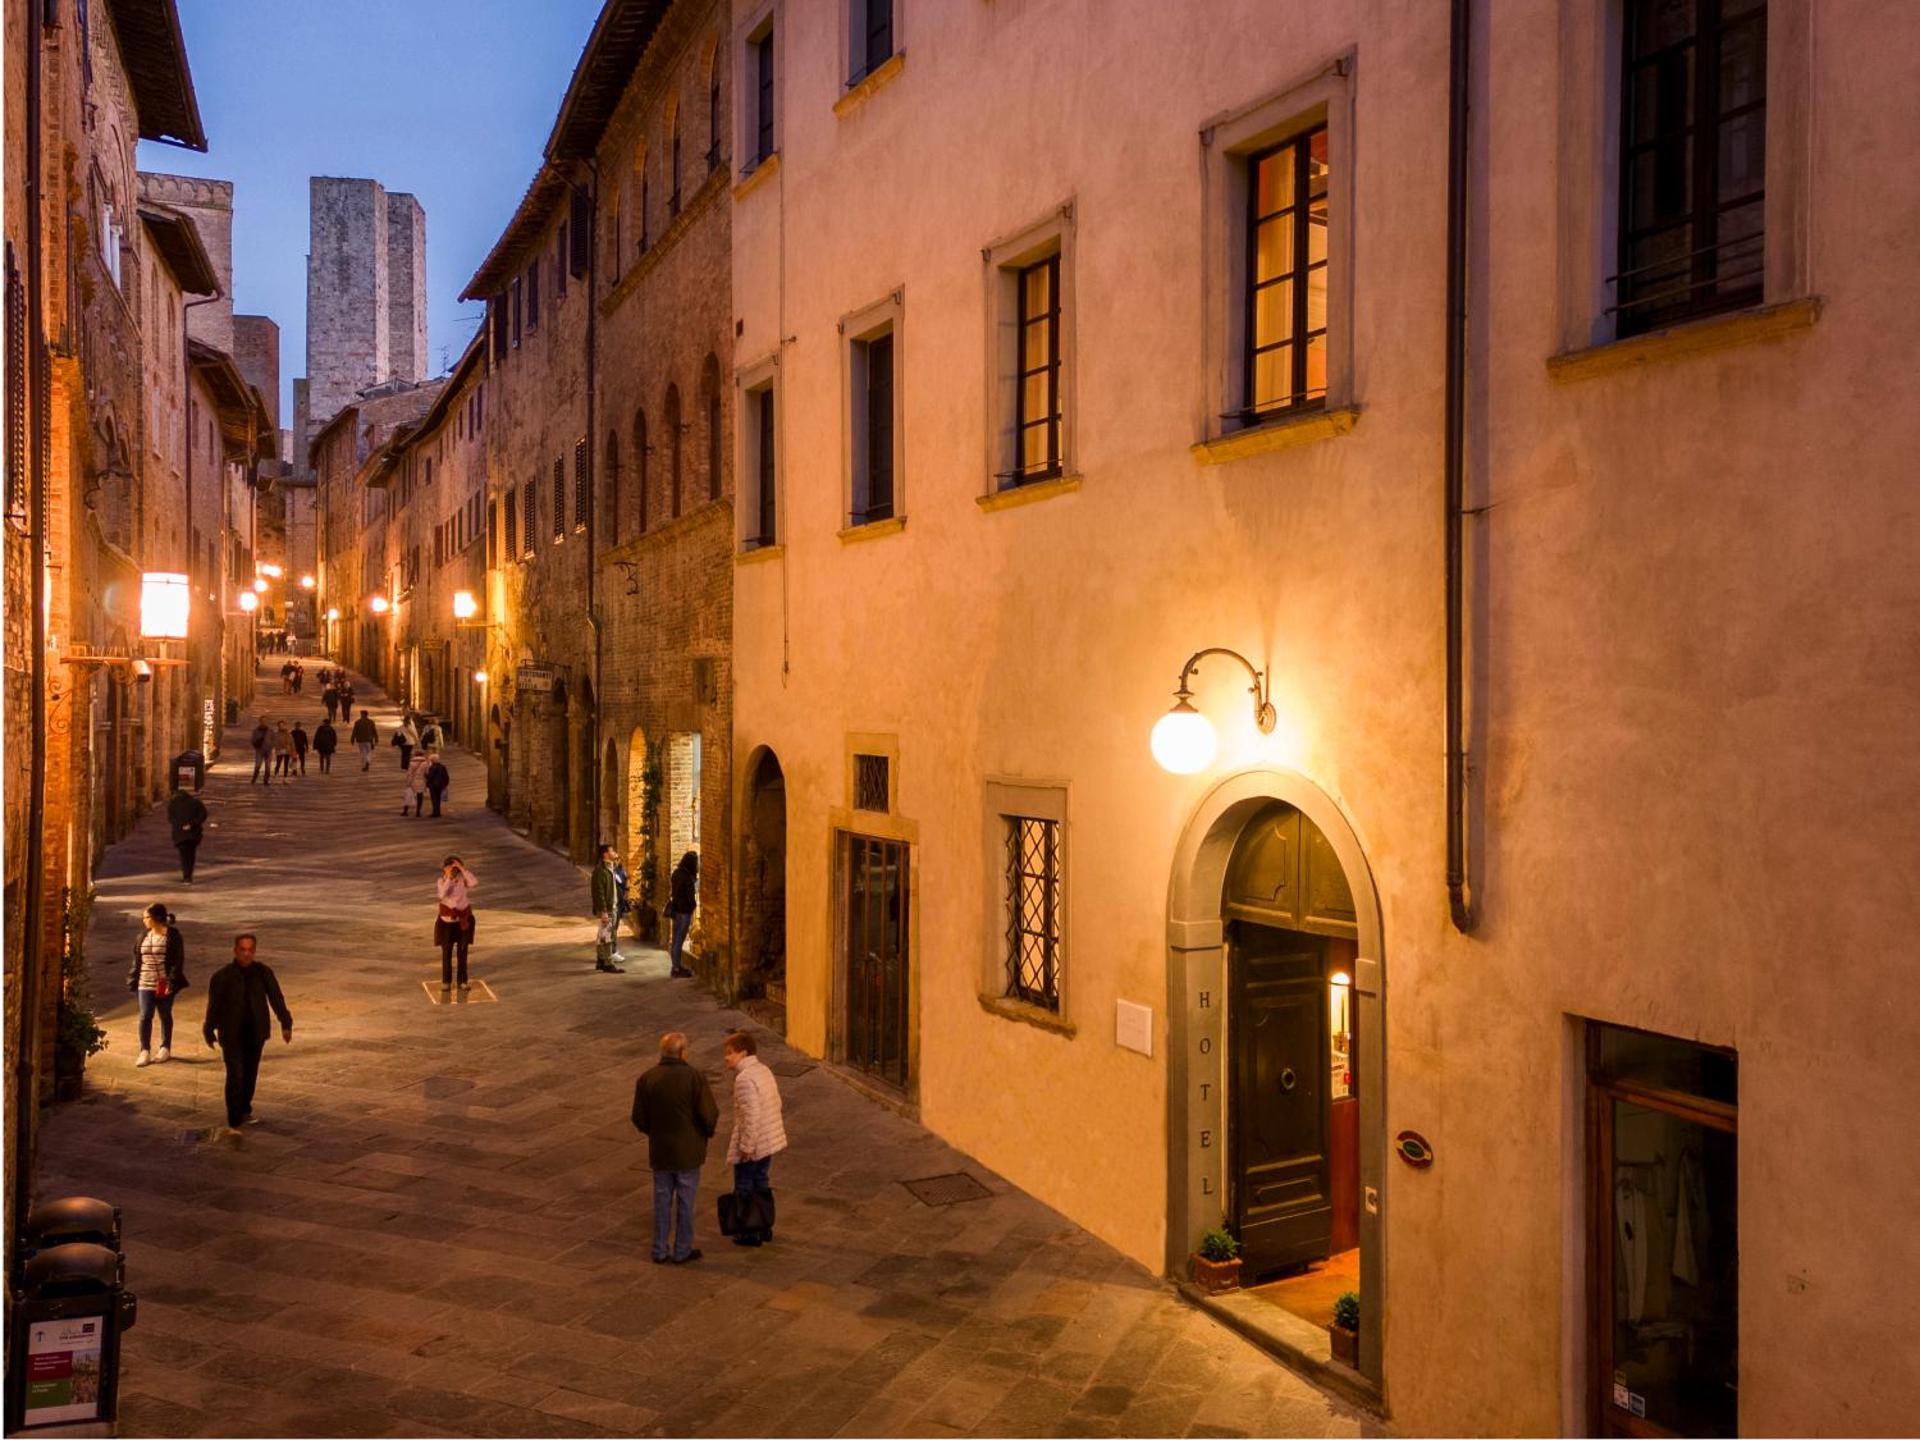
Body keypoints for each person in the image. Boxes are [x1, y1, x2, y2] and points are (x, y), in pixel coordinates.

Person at [630, 1032, 718, 1266]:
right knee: (686, 1202)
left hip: (661, 1150)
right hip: (688, 1152)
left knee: (661, 1201)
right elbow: (708, 1115)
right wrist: (703, 1134)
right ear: (683, 1052)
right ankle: (682, 1250)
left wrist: (655, 1132)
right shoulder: (694, 1078)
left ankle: (659, 1249)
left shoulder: (647, 1078)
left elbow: (639, 1117)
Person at [201, 933, 293, 1135]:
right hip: (231, 1034)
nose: (247, 954)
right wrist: (209, 1029)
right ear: (235, 951)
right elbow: (214, 1006)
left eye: (250, 949)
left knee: (250, 1074)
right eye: (243, 949)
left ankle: (244, 1109)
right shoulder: (222, 976)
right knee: (235, 1074)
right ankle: (234, 1119)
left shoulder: (263, 973)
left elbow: (276, 998)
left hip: (256, 1032)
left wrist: (285, 1022)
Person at [723, 1031, 787, 1247]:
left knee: (744, 1185)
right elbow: (776, 1102)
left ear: (743, 1053)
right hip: (768, 1140)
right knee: (761, 1182)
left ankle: (749, 1231)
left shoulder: (744, 1079)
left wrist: (747, 1146)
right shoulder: (763, 1071)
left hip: (754, 1143)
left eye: (730, 1053)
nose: (727, 1058)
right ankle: (764, 1225)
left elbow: (751, 1115)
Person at [127, 903, 190, 1067]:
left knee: (164, 1014)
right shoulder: (143, 935)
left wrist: (171, 981)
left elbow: (177, 961)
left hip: (163, 982)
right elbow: (136, 958)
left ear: (156, 918)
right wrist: (133, 977)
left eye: (146, 917)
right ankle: (144, 1050)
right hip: (144, 981)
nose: (144, 921)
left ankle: (165, 1047)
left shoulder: (173, 936)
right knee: (145, 1015)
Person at [435, 856, 477, 994]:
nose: (454, 870)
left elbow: (473, 882)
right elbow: (442, 895)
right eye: (450, 867)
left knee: (462, 952)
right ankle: (446, 982)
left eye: (455, 867)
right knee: (447, 952)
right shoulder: (441, 881)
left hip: (463, 921)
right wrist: (449, 878)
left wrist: (463, 869)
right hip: (447, 922)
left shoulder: (462, 879)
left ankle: (462, 981)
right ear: (444, 868)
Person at [591, 844, 624, 973]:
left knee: (603, 935)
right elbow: (598, 892)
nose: (615, 852)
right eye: (612, 850)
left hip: (613, 906)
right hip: (608, 908)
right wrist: (604, 910)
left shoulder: (610, 868)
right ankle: (608, 962)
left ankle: (601, 960)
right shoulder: (600, 871)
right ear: (605, 854)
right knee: (609, 935)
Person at [667, 850, 699, 979]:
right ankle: (676, 968)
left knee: (676, 939)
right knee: (679, 940)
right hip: (684, 912)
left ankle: (676, 965)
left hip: (676, 910)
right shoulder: (687, 877)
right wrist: (693, 906)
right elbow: (690, 897)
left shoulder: (676, 873)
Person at [166, 784, 208, 882]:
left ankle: (186, 876)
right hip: (193, 834)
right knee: (191, 854)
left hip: (180, 834)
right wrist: (192, 824)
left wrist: (180, 825)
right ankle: (189, 874)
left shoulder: (173, 804)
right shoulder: (196, 803)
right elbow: (203, 815)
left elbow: (171, 818)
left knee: (184, 855)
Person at [403, 751, 431, 816]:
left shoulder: (411, 763)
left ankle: (405, 811)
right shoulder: (425, 763)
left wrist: (408, 783)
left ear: (415, 755)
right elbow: (427, 773)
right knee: (420, 796)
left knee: (408, 796)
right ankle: (418, 812)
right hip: (421, 781)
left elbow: (409, 773)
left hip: (412, 781)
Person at [249, 716, 272, 784]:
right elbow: (253, 740)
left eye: (265, 721)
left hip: (268, 751)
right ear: (260, 721)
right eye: (262, 721)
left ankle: (266, 780)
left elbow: (274, 739)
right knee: (257, 765)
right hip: (259, 750)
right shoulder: (256, 730)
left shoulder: (270, 731)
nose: (263, 722)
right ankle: (254, 778)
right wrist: (256, 746)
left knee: (268, 766)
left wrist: (271, 745)